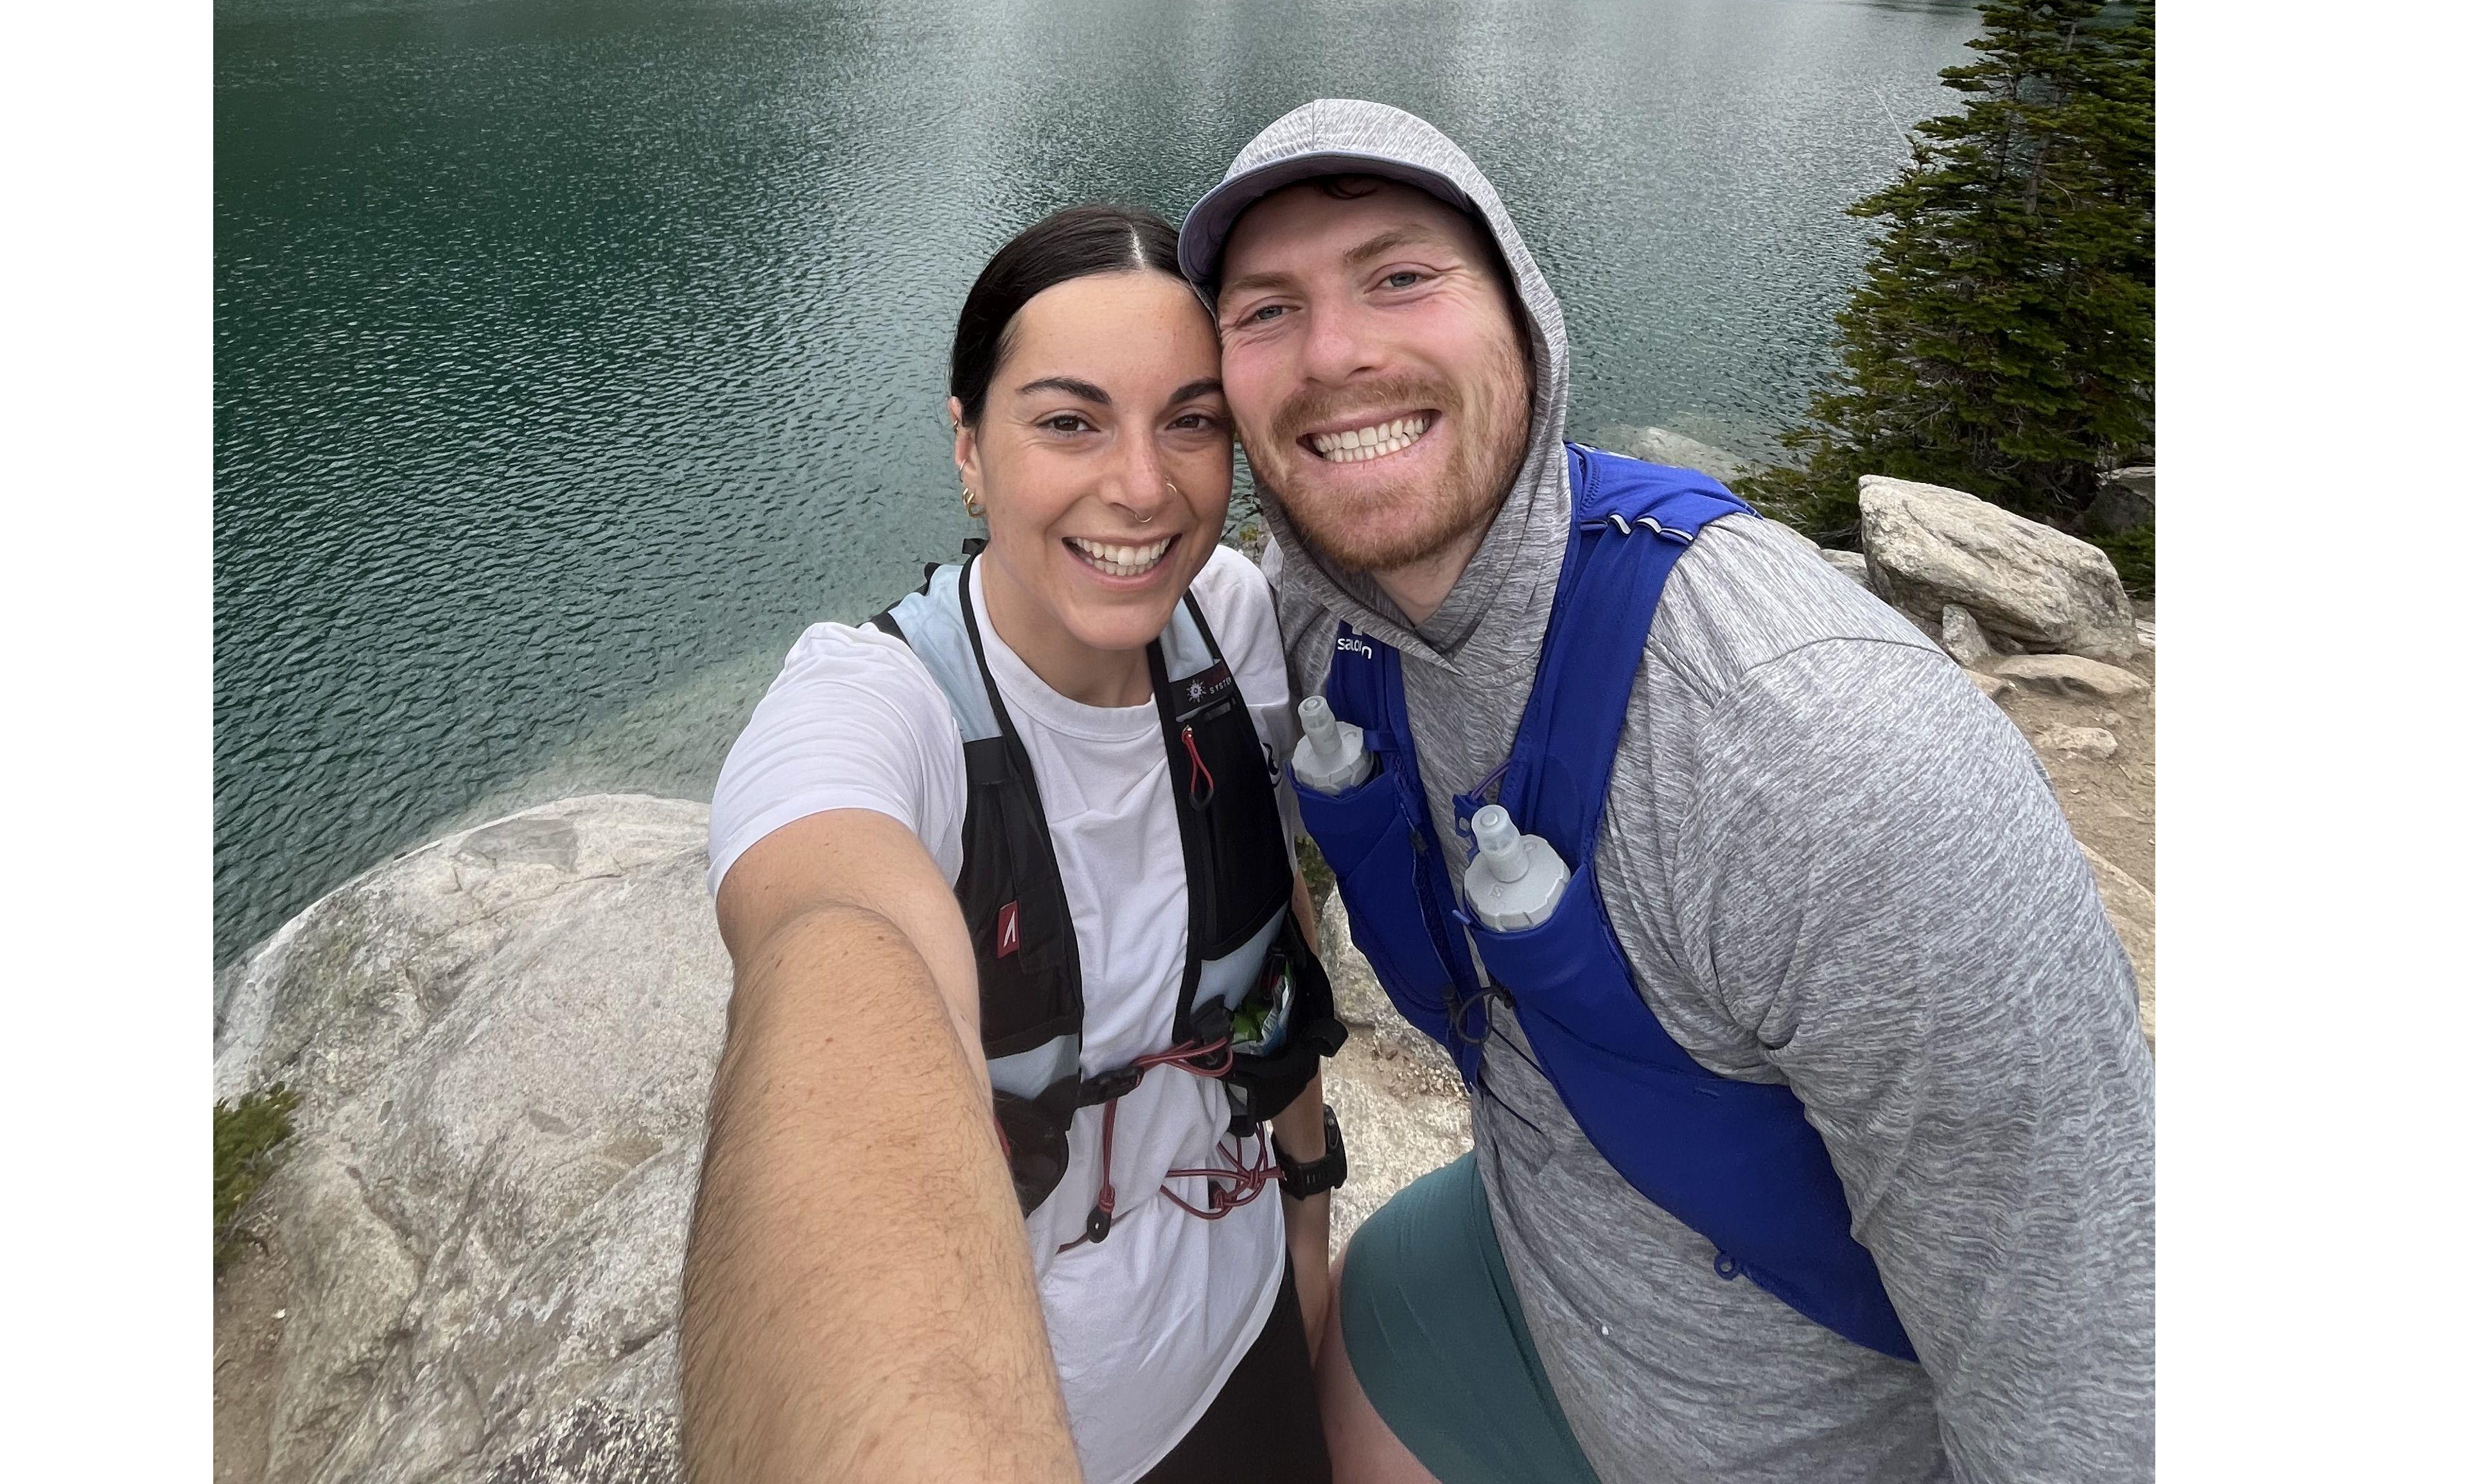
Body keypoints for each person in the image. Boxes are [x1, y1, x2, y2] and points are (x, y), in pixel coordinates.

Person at [1175, 100, 2157, 1484]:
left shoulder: (1823, 755)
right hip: (1539, 1273)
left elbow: (2086, 1366)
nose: (1338, 353)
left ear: (1527, 320)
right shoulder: (1318, 623)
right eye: (1266, 310)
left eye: (1401, 276)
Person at [683, 207, 1346, 1484]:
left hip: (1244, 1318)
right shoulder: (879, 707)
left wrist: (1311, 1205)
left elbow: (1270, 930)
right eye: (1069, 421)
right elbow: (828, 926)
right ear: (969, 451)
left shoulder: (1227, 621)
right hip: (1044, 1412)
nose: (1144, 487)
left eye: (1192, 422)